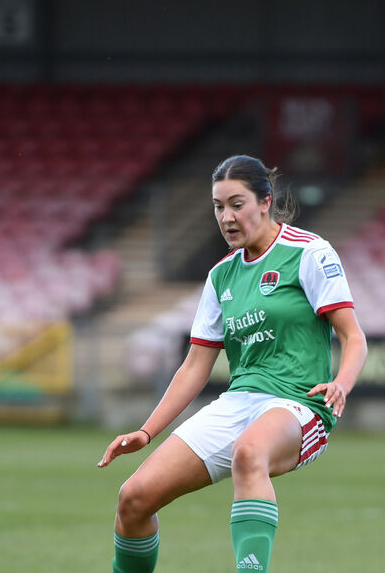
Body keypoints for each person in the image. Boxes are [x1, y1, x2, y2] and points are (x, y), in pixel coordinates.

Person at [98, 155, 368, 573]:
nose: (226, 217)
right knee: (132, 499)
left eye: (236, 204)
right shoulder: (221, 276)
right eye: (218, 206)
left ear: (265, 201)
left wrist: (342, 384)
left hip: (300, 403)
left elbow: (353, 337)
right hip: (238, 402)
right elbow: (194, 367)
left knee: (249, 453)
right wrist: (147, 431)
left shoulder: (309, 253)